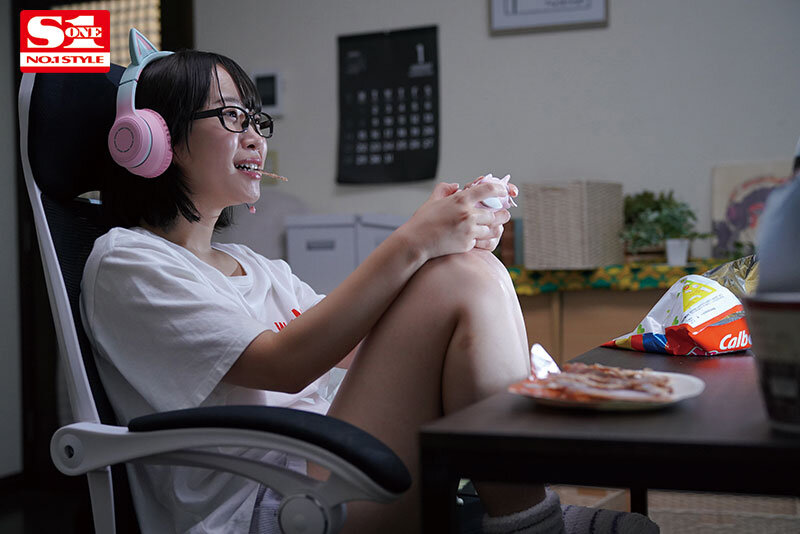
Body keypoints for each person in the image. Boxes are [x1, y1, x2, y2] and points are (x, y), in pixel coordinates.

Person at [82, 43, 657, 534]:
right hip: (272, 503)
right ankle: (533, 523)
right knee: (458, 276)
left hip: (326, 466)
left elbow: (363, 344)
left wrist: (436, 245)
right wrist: (413, 242)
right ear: (153, 138)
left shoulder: (255, 266)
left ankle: (526, 515)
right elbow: (285, 364)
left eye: (258, 120)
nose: (255, 136)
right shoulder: (127, 261)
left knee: (464, 270)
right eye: (232, 116)